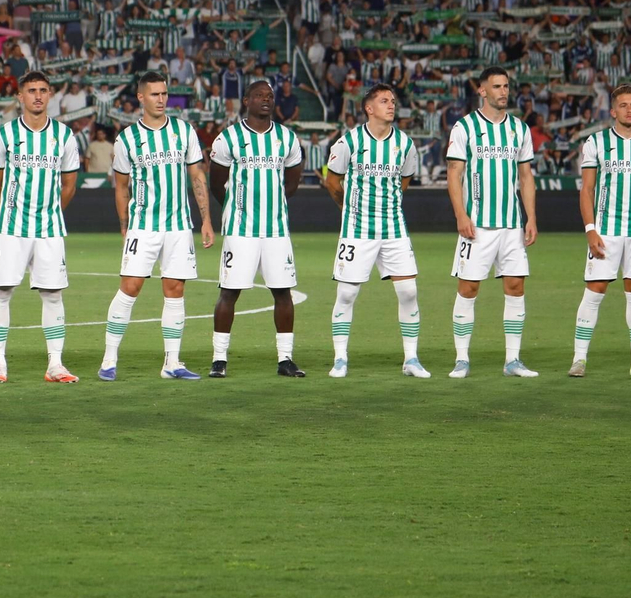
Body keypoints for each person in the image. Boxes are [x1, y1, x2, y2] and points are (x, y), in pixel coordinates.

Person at [100, 71, 215, 381]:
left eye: (164, 94)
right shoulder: (127, 138)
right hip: (144, 225)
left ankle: (172, 363)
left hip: (179, 226)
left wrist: (205, 220)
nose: (162, 99)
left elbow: (197, 176)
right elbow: (121, 187)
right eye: (155, 94)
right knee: (130, 287)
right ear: (141, 98)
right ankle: (109, 359)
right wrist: (124, 226)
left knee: (175, 290)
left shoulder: (184, 131)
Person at [0, 71, 81, 384]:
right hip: (11, 228)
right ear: (20, 97)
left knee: (53, 295)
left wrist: (49, 213)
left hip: (50, 229)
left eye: (42, 90)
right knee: (2, 292)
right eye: (31, 91)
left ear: (50, 95)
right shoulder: (4, 135)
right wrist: (9, 216)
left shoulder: (64, 136)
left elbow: (69, 185)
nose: (37, 96)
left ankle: (55, 364)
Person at [322, 83, 425, 379]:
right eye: (384, 101)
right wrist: (348, 208)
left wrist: (387, 205)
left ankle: (411, 359)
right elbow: (332, 181)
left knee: (408, 290)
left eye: (393, 100)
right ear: (369, 108)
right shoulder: (349, 142)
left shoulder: (405, 144)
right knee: (347, 293)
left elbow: (404, 182)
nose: (391, 105)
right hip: (357, 229)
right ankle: (340, 358)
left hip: (393, 228)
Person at [570, 84, 631, 379]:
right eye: (623, 105)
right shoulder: (597, 142)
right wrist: (590, 229)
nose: (629, 110)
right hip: (606, 231)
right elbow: (586, 190)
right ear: (613, 111)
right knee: (596, 290)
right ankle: (579, 359)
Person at [446, 66, 538, 379]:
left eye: (506, 86)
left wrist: (531, 218)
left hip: (512, 225)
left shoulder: (519, 129)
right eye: (496, 86)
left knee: (515, 286)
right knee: (469, 288)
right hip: (478, 225)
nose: (503, 92)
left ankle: (513, 361)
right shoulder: (465, 127)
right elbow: (454, 174)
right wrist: (461, 214)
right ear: (482, 90)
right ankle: (461, 359)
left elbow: (526, 176)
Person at [207, 80, 304, 378]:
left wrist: (272, 203)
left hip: (275, 229)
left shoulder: (287, 138)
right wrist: (237, 207)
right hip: (240, 230)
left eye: (270, 96)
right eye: (259, 95)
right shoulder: (229, 138)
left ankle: (285, 359)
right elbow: (217, 182)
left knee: (282, 292)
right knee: (229, 292)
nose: (266, 100)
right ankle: (219, 359)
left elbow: (292, 181)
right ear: (246, 100)